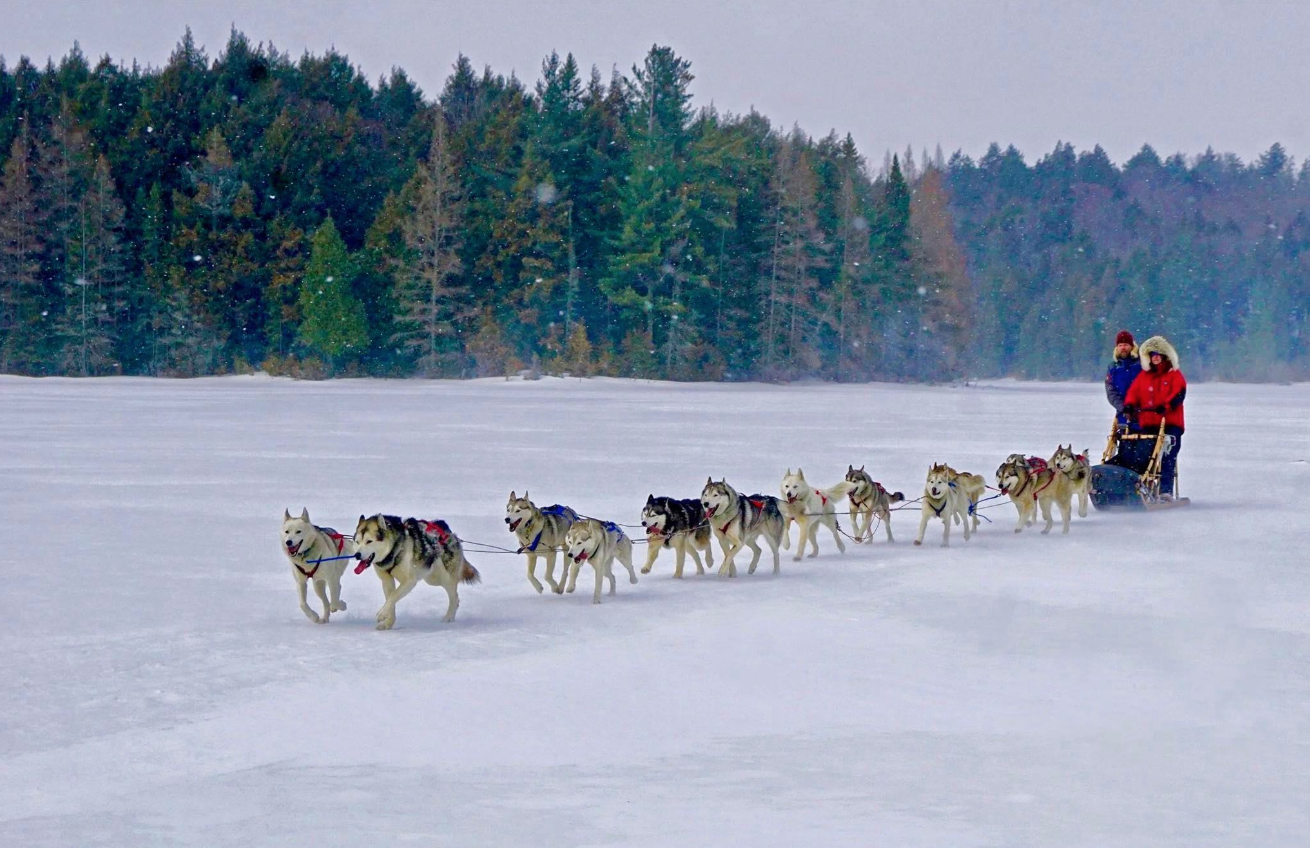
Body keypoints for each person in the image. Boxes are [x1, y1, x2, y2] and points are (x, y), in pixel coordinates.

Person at [1123, 336, 1186, 497]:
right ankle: (1143, 486)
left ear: (1165, 355)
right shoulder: (1144, 376)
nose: (1155, 357)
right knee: (1143, 455)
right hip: (1149, 423)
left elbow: (1179, 394)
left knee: (1167, 454)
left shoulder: (1174, 374)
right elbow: (1133, 393)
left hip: (1171, 423)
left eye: (1158, 354)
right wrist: (1129, 405)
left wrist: (1166, 406)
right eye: (1152, 354)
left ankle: (1165, 491)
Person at [1104, 329, 1142, 428]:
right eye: (1120, 345)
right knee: (1124, 442)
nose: (1123, 348)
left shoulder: (1142, 364)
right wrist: (1123, 408)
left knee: (1145, 442)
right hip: (1123, 415)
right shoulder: (1113, 367)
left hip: (1143, 414)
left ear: (1132, 346)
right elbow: (1111, 392)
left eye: (1125, 345)